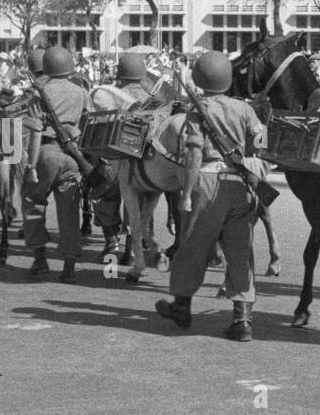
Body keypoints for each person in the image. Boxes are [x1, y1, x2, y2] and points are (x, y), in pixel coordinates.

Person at [155, 51, 267, 341]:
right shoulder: (245, 109)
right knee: (241, 252)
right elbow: (259, 145)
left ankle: (181, 306)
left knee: (192, 245)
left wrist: (187, 193)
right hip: (240, 183)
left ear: (200, 79)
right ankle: (242, 320)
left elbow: (193, 153)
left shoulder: (198, 110)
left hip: (206, 181)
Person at [23, 45, 89, 283]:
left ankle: (40, 261)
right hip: (72, 157)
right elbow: (89, 123)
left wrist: (30, 167)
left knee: (33, 204)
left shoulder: (38, 92)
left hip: (45, 153)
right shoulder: (81, 91)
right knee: (70, 210)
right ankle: (69, 267)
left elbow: (35, 131)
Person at [88, 51, 150, 262]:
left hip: (114, 159)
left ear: (120, 73)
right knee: (139, 203)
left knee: (105, 195)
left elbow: (95, 126)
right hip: (145, 163)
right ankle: (132, 249)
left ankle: (111, 242)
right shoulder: (151, 98)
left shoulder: (109, 94)